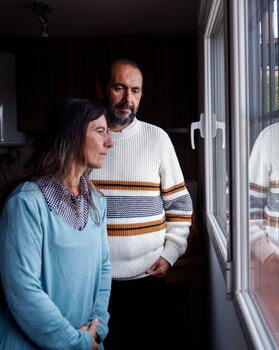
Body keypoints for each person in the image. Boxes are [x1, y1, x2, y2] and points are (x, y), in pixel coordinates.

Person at [90, 58, 193, 349]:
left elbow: (180, 205)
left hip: (147, 278)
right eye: (119, 88)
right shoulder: (84, 138)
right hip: (95, 281)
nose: (127, 99)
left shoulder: (157, 139)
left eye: (135, 90)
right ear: (101, 89)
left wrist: (172, 251)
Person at [0, 98, 113, 350]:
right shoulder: (26, 203)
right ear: (72, 135)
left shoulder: (97, 202)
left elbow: (104, 269)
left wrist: (97, 329)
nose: (109, 142)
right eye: (99, 131)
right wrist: (76, 343)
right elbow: (24, 291)